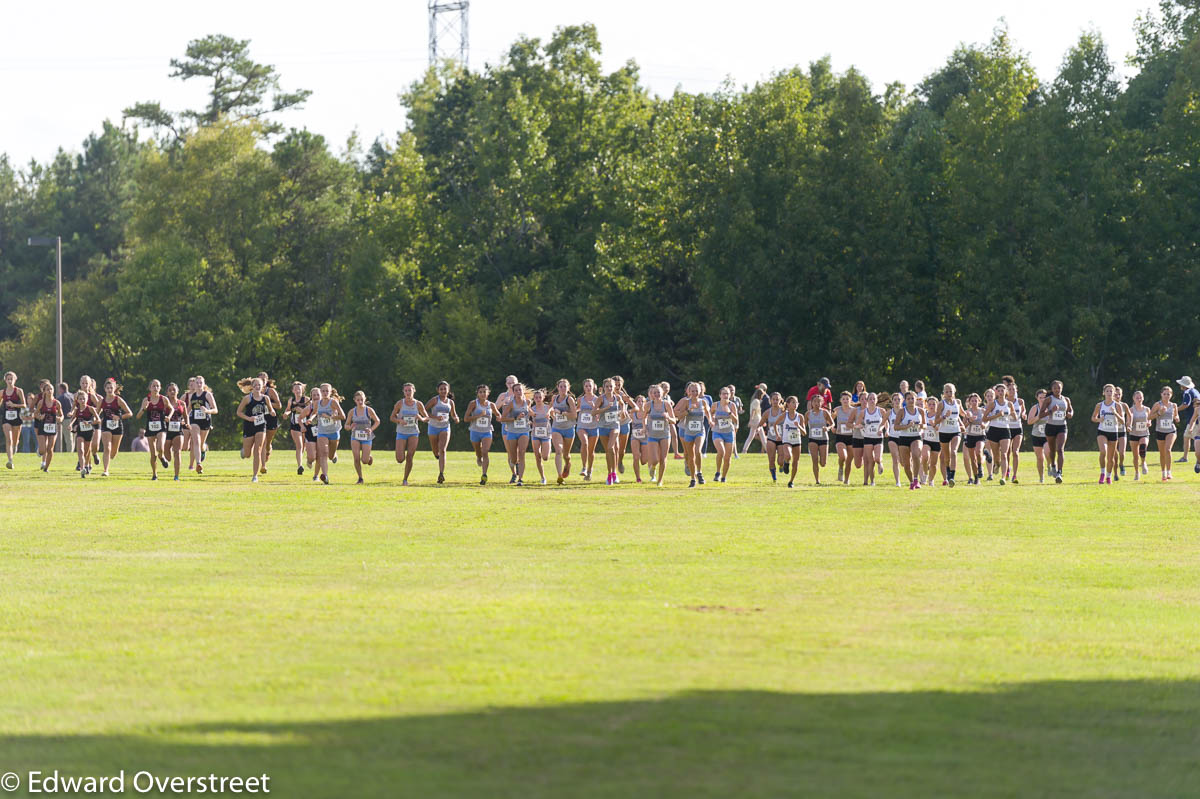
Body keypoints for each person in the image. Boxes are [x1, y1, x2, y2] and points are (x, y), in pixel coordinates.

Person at [236, 377, 276, 483]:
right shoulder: (247, 398)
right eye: (255, 385)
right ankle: (244, 451)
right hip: (249, 426)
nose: (257, 387)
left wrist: (272, 412)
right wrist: (249, 418)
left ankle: (255, 476)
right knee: (248, 454)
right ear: (252, 387)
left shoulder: (265, 398)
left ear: (262, 386)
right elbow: (239, 412)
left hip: (261, 425)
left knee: (258, 450)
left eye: (259, 385)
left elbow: (271, 409)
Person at [675, 382, 714, 487]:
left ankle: (699, 473)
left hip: (700, 431)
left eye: (697, 390)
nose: (695, 393)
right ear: (689, 392)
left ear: (700, 391)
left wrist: (710, 421)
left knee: (698, 451)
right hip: (688, 432)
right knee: (690, 455)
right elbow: (677, 415)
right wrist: (687, 411)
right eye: (693, 391)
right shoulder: (686, 402)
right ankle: (693, 478)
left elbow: (708, 412)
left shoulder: (703, 402)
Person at [136, 379, 174, 481]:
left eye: (157, 386)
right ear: (150, 388)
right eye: (154, 386)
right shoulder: (146, 400)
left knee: (160, 448)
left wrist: (169, 417)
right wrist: (144, 408)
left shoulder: (164, 399)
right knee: (153, 454)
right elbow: (138, 416)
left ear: (160, 388)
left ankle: (162, 457)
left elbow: (172, 409)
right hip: (150, 427)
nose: (156, 388)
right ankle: (154, 474)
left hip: (161, 427)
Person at [394, 382, 430, 486]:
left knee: (410, 456)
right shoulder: (400, 403)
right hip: (401, 432)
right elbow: (392, 417)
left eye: (410, 390)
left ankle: (405, 479)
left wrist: (421, 418)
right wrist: (399, 421)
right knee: (400, 459)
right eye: (406, 390)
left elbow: (427, 418)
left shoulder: (418, 404)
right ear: (403, 392)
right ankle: (400, 453)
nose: (408, 392)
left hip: (413, 432)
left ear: (414, 391)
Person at [642, 383, 677, 486]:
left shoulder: (666, 404)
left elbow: (674, 420)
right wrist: (645, 428)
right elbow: (643, 417)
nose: (656, 394)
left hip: (665, 435)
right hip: (652, 435)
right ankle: (653, 467)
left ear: (662, 393)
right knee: (655, 459)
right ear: (651, 394)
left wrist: (668, 417)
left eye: (658, 392)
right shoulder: (648, 405)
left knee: (663, 458)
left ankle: (660, 480)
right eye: (654, 393)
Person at [344, 391, 380, 485]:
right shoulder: (352, 411)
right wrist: (350, 427)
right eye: (358, 400)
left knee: (364, 461)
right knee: (356, 458)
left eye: (362, 400)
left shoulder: (369, 410)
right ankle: (360, 478)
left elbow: (377, 421)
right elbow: (346, 426)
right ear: (355, 400)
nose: (360, 402)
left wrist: (371, 429)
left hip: (367, 437)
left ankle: (368, 458)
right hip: (355, 436)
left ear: (365, 399)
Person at [311, 383, 345, 484]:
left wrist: (330, 417)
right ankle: (325, 476)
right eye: (323, 391)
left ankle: (334, 455)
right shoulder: (317, 403)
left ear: (330, 392)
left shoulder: (333, 402)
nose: (325, 393)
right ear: (320, 392)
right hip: (322, 432)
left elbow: (343, 416)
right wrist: (310, 419)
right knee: (323, 453)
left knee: (330, 456)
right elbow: (315, 413)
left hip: (334, 431)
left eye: (327, 391)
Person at [98, 378, 133, 476]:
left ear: (114, 388)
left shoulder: (118, 400)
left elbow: (130, 413)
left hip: (118, 427)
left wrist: (119, 417)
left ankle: (110, 458)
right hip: (106, 426)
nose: (109, 390)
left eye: (111, 388)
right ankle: (105, 470)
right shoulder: (102, 401)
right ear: (105, 389)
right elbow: (96, 413)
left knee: (113, 452)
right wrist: (97, 420)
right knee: (107, 448)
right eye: (107, 388)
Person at [426, 381, 458, 484]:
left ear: (448, 390)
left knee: (443, 450)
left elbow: (453, 414)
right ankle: (436, 455)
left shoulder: (450, 402)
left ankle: (441, 474)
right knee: (436, 451)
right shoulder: (434, 400)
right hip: (433, 427)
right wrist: (435, 417)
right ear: (438, 390)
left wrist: (456, 418)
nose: (443, 391)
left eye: (445, 389)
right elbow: (423, 411)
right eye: (441, 389)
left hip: (445, 427)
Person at [499, 382, 531, 485]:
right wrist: (515, 418)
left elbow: (529, 413)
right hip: (512, 432)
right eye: (516, 390)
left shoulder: (528, 402)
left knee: (522, 452)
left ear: (523, 391)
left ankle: (520, 479)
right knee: (513, 457)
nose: (518, 392)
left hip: (524, 431)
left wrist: (532, 419)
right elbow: (502, 418)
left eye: (520, 390)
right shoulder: (511, 404)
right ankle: (515, 464)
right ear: (513, 392)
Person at [934, 383, 964, 486]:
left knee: (954, 452)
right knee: (946, 457)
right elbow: (935, 421)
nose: (949, 393)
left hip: (955, 431)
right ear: (944, 393)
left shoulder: (958, 402)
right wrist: (944, 417)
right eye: (947, 391)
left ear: (954, 392)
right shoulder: (941, 404)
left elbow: (962, 413)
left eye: (951, 391)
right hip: (944, 432)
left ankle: (952, 477)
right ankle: (948, 471)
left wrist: (968, 416)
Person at [186, 376, 218, 474]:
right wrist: (184, 419)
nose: (199, 384)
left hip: (205, 421)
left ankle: (203, 450)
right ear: (194, 385)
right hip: (194, 421)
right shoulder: (192, 396)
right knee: (196, 441)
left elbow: (215, 410)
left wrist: (207, 411)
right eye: (197, 383)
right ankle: (198, 464)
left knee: (200, 444)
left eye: (201, 383)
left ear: (204, 384)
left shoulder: (207, 395)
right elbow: (188, 409)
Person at [1091, 384, 1121, 485]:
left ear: (1114, 393)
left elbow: (1122, 421)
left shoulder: (1117, 405)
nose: (1109, 393)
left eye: (1111, 391)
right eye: (1107, 391)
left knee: (1110, 458)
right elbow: (1093, 418)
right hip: (1102, 431)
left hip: (1113, 432)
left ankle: (1108, 476)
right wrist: (1099, 419)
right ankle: (1102, 473)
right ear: (1103, 393)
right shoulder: (1099, 405)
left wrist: (1115, 413)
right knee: (1103, 451)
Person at [1149, 386, 1180, 481]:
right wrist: (1159, 413)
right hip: (1160, 431)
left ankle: (1169, 472)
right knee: (1162, 453)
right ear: (1161, 394)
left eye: (1168, 394)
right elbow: (1149, 417)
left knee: (1168, 450)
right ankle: (1163, 473)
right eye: (1165, 394)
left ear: (1171, 395)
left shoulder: (1173, 405)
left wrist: (1177, 418)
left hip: (1171, 430)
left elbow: (1176, 415)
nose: (1166, 396)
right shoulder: (1157, 405)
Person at [1044, 380, 1072, 482]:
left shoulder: (1066, 399)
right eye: (1055, 388)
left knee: (1060, 449)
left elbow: (1070, 410)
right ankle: (1053, 465)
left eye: (1059, 388)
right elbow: (1041, 414)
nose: (1057, 390)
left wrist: (1070, 414)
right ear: (1052, 389)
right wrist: (1051, 411)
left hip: (1062, 426)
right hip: (1050, 426)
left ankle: (1059, 472)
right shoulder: (1048, 400)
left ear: (1062, 388)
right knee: (1052, 450)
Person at [32, 379, 63, 472]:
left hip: (53, 427)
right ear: (44, 391)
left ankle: (46, 467)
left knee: (50, 449)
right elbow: (36, 414)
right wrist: (40, 416)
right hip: (42, 426)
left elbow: (61, 415)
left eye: (51, 389)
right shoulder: (41, 402)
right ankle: (40, 450)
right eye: (48, 389)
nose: (50, 391)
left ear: (53, 390)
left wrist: (60, 419)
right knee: (42, 450)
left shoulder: (57, 403)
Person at [550, 379, 577, 484]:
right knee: (558, 451)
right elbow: (551, 410)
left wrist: (562, 413)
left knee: (566, 455)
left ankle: (568, 464)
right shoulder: (554, 398)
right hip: (557, 428)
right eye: (561, 386)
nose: (563, 389)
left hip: (569, 429)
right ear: (558, 388)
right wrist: (553, 415)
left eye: (565, 387)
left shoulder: (569, 399)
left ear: (568, 388)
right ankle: (559, 476)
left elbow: (574, 415)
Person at [855, 393, 885, 487]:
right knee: (870, 461)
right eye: (870, 399)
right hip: (867, 437)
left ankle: (880, 463)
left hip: (878, 437)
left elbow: (885, 422)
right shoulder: (864, 412)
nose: (872, 401)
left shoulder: (881, 411)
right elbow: (857, 424)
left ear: (876, 401)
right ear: (867, 401)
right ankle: (872, 481)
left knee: (877, 458)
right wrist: (859, 426)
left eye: (874, 399)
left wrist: (882, 429)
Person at [711, 386, 739, 482]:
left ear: (730, 395)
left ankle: (723, 477)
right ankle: (718, 472)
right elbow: (710, 414)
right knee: (721, 451)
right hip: (717, 432)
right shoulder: (715, 405)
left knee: (727, 457)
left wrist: (730, 413)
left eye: (727, 393)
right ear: (720, 395)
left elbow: (736, 421)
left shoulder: (732, 405)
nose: (725, 395)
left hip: (729, 433)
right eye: (723, 393)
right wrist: (712, 420)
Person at [70, 389, 99, 477]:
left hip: (89, 432)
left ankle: (86, 466)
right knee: (80, 450)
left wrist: (89, 423)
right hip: (80, 432)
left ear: (87, 399)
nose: (82, 400)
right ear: (77, 400)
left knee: (86, 451)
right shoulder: (76, 410)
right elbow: (74, 419)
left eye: (84, 399)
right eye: (80, 399)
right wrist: (72, 426)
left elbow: (98, 420)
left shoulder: (91, 409)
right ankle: (82, 468)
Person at [575, 378, 601, 481]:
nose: (588, 388)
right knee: (584, 443)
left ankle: (589, 471)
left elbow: (600, 414)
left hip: (594, 427)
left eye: (590, 386)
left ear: (593, 387)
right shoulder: (580, 399)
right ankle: (584, 467)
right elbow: (577, 409)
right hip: (582, 426)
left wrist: (594, 407)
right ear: (583, 387)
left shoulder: (598, 399)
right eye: (586, 386)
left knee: (591, 451)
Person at [163, 382, 189, 481]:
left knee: (177, 452)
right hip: (166, 431)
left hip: (178, 430)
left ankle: (176, 476)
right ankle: (166, 459)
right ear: (167, 392)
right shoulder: (164, 403)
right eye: (170, 390)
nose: (172, 392)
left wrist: (187, 424)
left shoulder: (182, 403)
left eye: (174, 390)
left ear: (177, 391)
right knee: (167, 456)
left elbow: (186, 416)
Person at [805, 394, 833, 485]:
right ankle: (817, 480)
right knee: (814, 460)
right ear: (811, 403)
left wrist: (828, 428)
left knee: (823, 463)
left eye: (818, 401)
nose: (816, 403)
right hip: (812, 438)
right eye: (815, 402)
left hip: (823, 438)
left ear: (822, 403)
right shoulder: (808, 414)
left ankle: (822, 459)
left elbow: (832, 424)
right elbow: (803, 425)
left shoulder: (825, 413)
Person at [284, 382, 310, 476]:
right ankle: (300, 466)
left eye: (299, 389)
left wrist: (302, 411)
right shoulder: (291, 400)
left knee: (304, 446)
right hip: (295, 425)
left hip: (305, 425)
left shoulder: (306, 400)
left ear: (302, 390)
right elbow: (288, 409)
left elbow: (311, 412)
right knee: (299, 445)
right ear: (292, 391)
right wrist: (286, 414)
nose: (297, 391)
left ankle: (307, 460)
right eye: (295, 389)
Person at [779, 396, 806, 488]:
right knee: (788, 455)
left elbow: (804, 433)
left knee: (795, 462)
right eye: (793, 402)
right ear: (788, 405)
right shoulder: (784, 415)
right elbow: (775, 424)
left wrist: (799, 426)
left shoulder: (800, 416)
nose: (795, 404)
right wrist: (778, 434)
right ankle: (786, 463)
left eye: (796, 402)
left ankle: (791, 481)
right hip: (786, 440)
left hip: (797, 441)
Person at [2, 371, 26, 469]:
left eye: (11, 379)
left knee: (15, 441)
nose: (10, 381)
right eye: (8, 379)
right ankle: (10, 461)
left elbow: (24, 405)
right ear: (5, 380)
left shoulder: (18, 391)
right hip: (6, 418)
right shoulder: (2, 392)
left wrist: (14, 405)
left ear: (15, 380)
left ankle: (15, 446)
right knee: (9, 439)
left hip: (16, 418)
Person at [529, 388, 553, 485]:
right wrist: (530, 422)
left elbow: (553, 409)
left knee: (545, 457)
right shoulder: (532, 409)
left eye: (540, 397)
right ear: (534, 399)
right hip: (535, 434)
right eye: (536, 397)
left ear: (543, 398)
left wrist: (550, 414)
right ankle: (543, 477)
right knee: (537, 456)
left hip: (546, 434)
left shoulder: (547, 407)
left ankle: (548, 449)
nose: (538, 399)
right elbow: (526, 419)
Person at [962, 393, 986, 486]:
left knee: (979, 451)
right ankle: (976, 478)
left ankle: (980, 467)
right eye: (972, 400)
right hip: (970, 436)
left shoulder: (983, 411)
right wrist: (969, 420)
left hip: (980, 435)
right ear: (969, 402)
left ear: (979, 401)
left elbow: (987, 421)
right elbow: (963, 426)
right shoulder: (967, 412)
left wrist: (984, 425)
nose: (974, 402)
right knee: (972, 459)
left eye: (976, 400)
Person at [1127, 390, 1150, 480]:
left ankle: (1143, 462)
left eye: (1140, 397)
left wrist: (1149, 423)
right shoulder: (1131, 410)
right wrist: (1128, 426)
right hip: (1134, 434)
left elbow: (1150, 418)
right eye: (1137, 397)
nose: (1139, 399)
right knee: (1135, 456)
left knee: (1143, 446)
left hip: (1144, 433)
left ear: (1143, 398)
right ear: (1133, 399)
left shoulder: (1147, 409)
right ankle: (1137, 472)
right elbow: (1128, 422)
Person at [833, 392, 856, 485]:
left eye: (847, 399)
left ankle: (846, 479)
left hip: (852, 437)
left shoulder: (854, 410)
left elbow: (859, 420)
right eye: (843, 399)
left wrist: (854, 425)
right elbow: (829, 420)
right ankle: (840, 467)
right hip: (840, 436)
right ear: (840, 400)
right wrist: (832, 427)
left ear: (850, 400)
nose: (845, 401)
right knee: (843, 456)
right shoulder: (837, 410)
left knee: (849, 460)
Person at [1176, 376, 1198, 463]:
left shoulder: (1187, 392)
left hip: (1194, 419)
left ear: (1184, 385)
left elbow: (1186, 405)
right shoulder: (1195, 391)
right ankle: (1185, 457)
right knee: (1186, 437)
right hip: (1196, 418)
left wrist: (1175, 409)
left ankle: (1194, 458)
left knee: (1195, 438)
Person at [741, 385, 768, 454]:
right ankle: (768, 450)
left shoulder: (754, 400)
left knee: (754, 436)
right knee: (761, 437)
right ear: (760, 395)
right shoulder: (757, 401)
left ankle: (744, 450)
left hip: (757, 420)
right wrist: (751, 420)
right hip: (757, 420)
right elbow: (753, 411)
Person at [55, 382, 73, 453]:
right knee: (72, 437)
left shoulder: (61, 398)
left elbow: (58, 409)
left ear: (61, 389)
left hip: (66, 419)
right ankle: (72, 451)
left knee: (68, 437)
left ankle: (69, 452)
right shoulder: (72, 396)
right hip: (73, 418)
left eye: (59, 389)